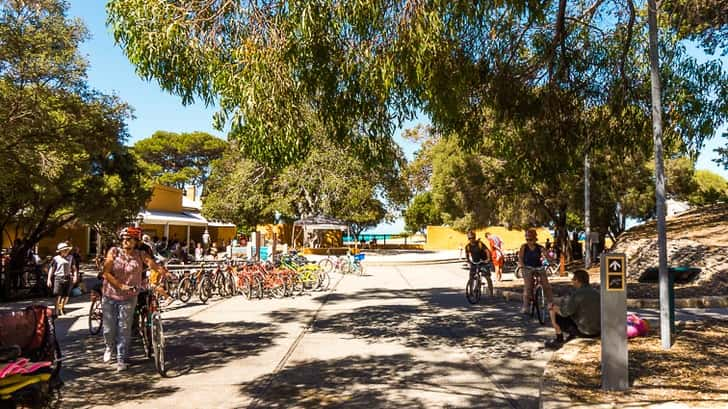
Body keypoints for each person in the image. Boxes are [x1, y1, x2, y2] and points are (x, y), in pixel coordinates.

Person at [101, 226, 169, 371]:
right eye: (124, 239)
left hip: (129, 297)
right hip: (110, 295)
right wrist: (120, 285)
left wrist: (166, 274)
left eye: (130, 239)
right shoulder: (114, 252)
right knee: (108, 328)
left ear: (136, 241)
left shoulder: (140, 254)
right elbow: (106, 273)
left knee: (124, 328)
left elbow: (153, 265)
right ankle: (109, 347)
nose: (126, 241)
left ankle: (121, 359)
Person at [545, 269, 600, 349]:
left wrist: (553, 307)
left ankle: (559, 338)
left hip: (584, 332)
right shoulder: (596, 293)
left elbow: (565, 312)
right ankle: (571, 335)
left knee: (554, 311)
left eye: (573, 279)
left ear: (577, 280)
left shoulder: (577, 294)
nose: (572, 282)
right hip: (598, 331)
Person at [518, 228, 554, 314]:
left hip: (539, 267)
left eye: (530, 239)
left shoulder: (540, 247)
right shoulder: (524, 247)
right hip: (527, 268)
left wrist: (550, 261)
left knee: (546, 285)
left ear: (535, 238)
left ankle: (551, 304)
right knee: (528, 286)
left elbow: (546, 255)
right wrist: (522, 266)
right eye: (527, 239)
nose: (529, 241)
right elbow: (520, 258)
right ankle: (526, 306)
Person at [46, 242, 77, 316]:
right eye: (64, 250)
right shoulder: (56, 259)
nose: (66, 251)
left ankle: (62, 308)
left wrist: (75, 276)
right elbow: (51, 269)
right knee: (58, 295)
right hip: (58, 278)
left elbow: (74, 268)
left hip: (68, 277)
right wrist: (49, 279)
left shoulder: (71, 258)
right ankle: (56, 311)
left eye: (66, 249)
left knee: (66, 296)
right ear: (60, 251)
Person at [464, 230, 493, 296]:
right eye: (469, 238)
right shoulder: (467, 246)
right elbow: (467, 255)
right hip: (475, 262)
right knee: (471, 276)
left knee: (487, 277)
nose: (471, 239)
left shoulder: (480, 244)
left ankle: (491, 293)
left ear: (475, 237)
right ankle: (471, 292)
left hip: (483, 261)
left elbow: (487, 251)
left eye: (472, 238)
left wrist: (488, 259)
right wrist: (469, 261)